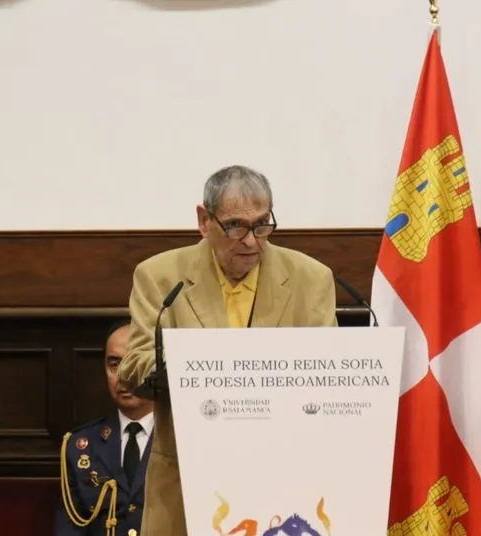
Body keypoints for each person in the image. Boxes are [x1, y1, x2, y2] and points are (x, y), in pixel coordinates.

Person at [117, 165, 338, 536]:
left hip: (283, 478)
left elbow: (329, 372)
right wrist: (201, 365)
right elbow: (135, 363)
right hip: (187, 484)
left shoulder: (311, 278)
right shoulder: (158, 276)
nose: (251, 241)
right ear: (204, 221)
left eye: (262, 224)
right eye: (235, 226)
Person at [56, 319, 155, 536]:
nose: (124, 375)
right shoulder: (80, 446)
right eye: (114, 363)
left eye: (135, 362)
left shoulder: (183, 440)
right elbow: (70, 528)